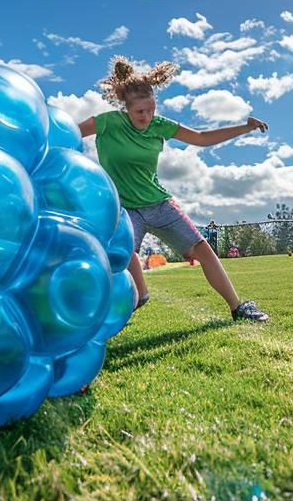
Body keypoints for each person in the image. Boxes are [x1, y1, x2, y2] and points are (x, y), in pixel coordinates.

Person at [79, 57, 270, 322]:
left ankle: (238, 307)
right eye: (139, 112)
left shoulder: (160, 126)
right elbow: (70, 132)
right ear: (126, 108)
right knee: (118, 251)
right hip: (124, 209)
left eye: (151, 109)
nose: (146, 117)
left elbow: (201, 139)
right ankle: (140, 295)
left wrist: (245, 127)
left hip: (158, 204)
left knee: (202, 250)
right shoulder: (107, 122)